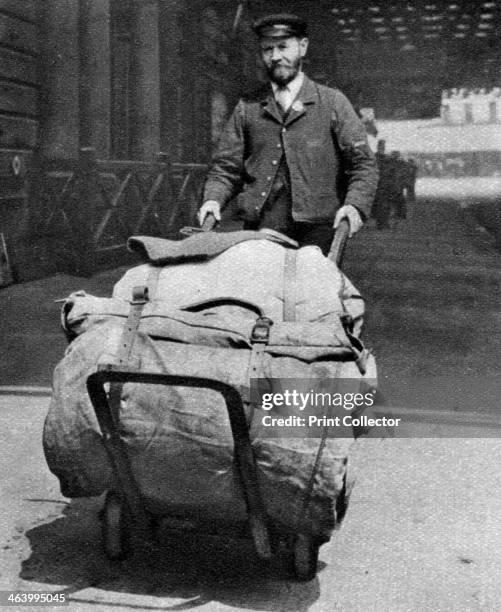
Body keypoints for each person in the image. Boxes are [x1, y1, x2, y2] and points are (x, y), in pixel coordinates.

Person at [197, 13, 378, 255]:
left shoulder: (333, 102)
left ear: (302, 47)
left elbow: (363, 165)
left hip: (319, 229)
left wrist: (354, 206)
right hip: (261, 227)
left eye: (283, 47)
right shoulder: (247, 108)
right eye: (267, 49)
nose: (275, 57)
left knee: (313, 291)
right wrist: (212, 200)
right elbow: (225, 168)